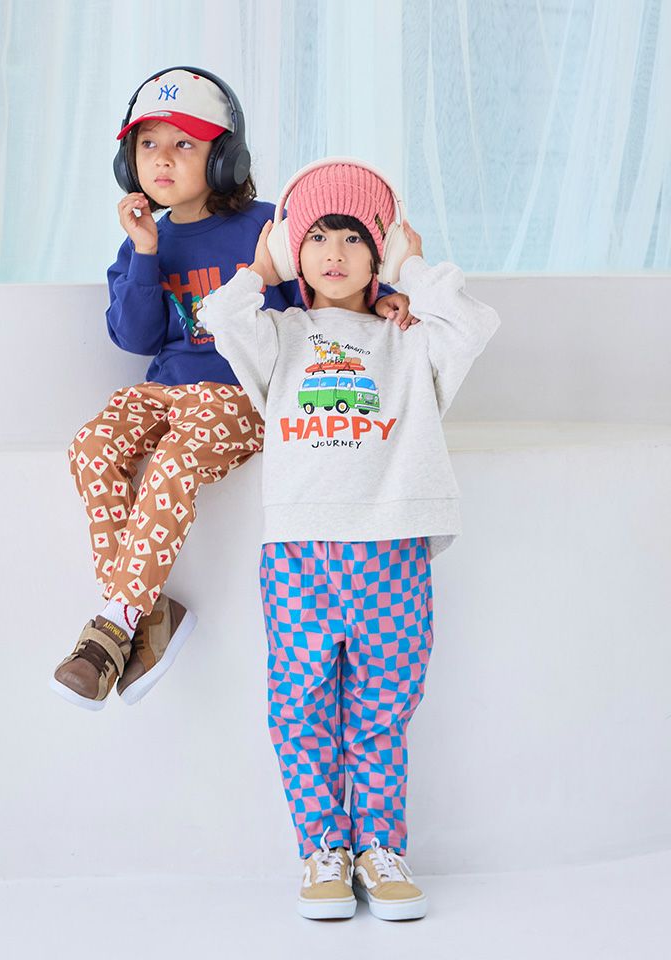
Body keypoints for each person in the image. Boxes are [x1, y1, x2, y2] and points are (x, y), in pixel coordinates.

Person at [50, 72, 411, 711]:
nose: (162, 159)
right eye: (148, 144)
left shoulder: (267, 227)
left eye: (184, 145)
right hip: (166, 390)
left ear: (225, 159)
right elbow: (135, 338)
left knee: (174, 461)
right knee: (92, 446)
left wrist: (382, 298)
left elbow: (329, 277)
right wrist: (145, 252)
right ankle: (147, 612)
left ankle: (114, 625)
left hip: (238, 393)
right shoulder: (143, 242)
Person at [198, 158, 500, 919]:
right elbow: (220, 319)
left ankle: (379, 850)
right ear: (293, 249)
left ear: (380, 248)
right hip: (299, 554)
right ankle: (323, 851)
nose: (335, 252)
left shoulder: (412, 341)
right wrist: (262, 266)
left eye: (355, 237)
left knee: (381, 713)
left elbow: (473, 325)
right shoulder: (279, 336)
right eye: (317, 236)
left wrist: (411, 269)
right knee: (299, 710)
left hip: (392, 550)